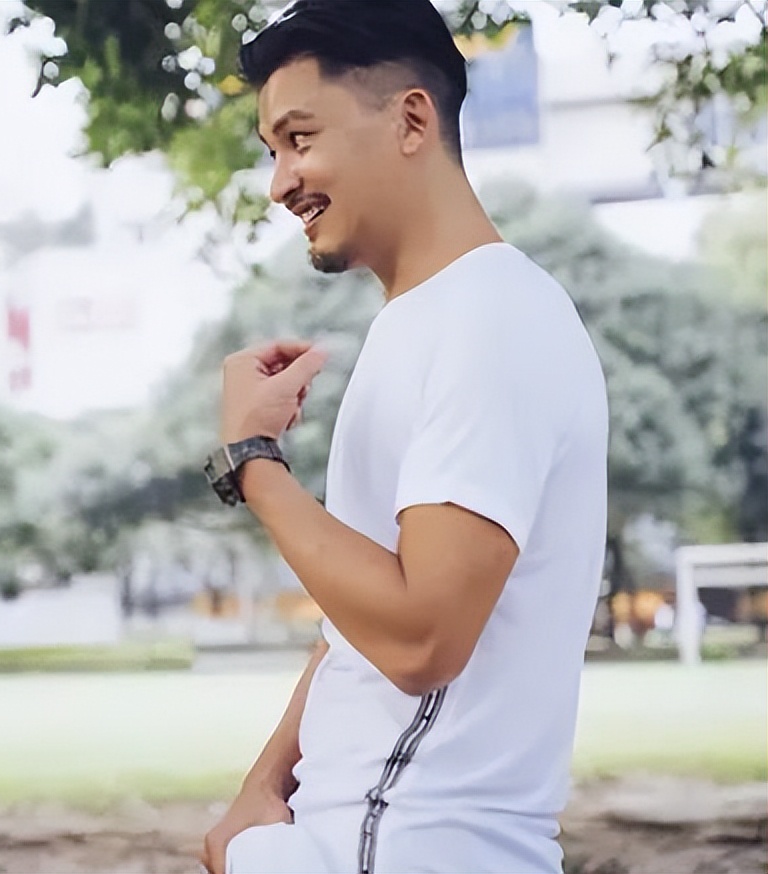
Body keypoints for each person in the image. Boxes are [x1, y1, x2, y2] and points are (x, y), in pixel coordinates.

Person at [198, 2, 608, 872]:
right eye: (272, 151)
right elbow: (360, 626)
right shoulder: (420, 322)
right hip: (351, 836)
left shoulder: (493, 318)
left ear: (411, 118)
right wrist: (259, 792)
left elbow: (423, 639)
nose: (278, 183)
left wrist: (253, 465)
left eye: (299, 139)